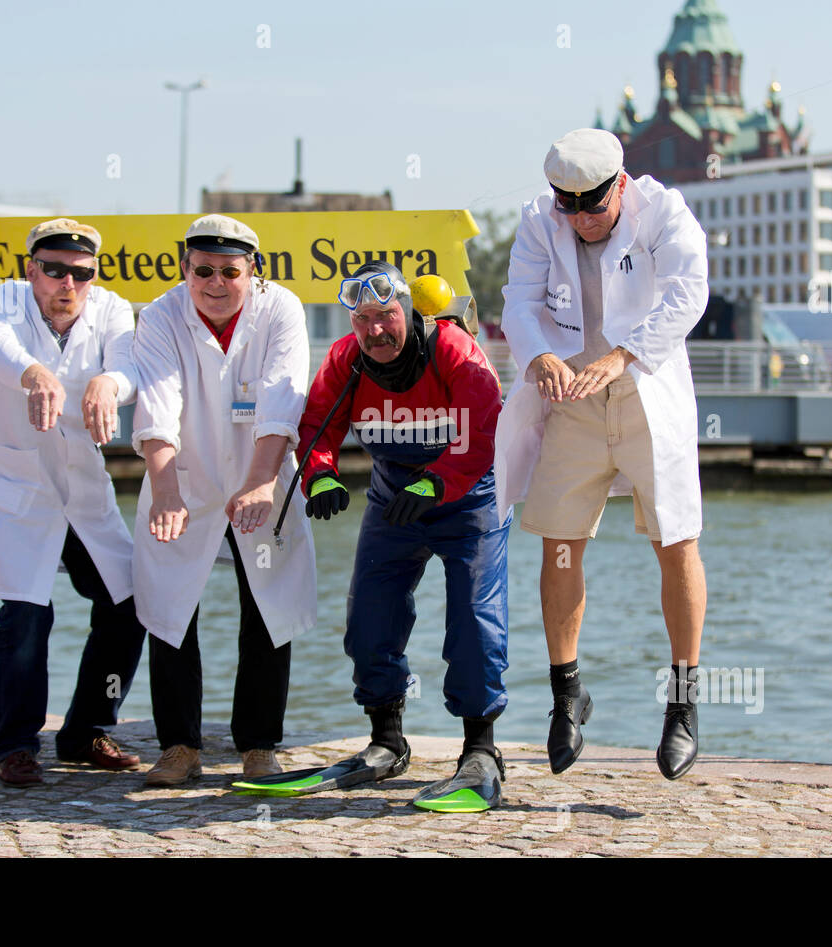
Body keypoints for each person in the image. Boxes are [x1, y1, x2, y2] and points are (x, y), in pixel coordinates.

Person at [495, 128, 709, 780]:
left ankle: (682, 705)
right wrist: (541, 357)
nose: (583, 219)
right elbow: (518, 303)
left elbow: (688, 292)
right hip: (574, 398)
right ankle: (567, 694)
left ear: (620, 186)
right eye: (570, 206)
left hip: (646, 390)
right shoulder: (541, 221)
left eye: (595, 205)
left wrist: (624, 353)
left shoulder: (665, 212)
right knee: (559, 540)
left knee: (676, 540)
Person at [280, 263, 510, 812]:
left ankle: (480, 750)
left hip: (468, 494)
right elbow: (317, 426)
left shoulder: (451, 349)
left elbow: (486, 428)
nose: (375, 331)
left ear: (406, 311)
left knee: (474, 620)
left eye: (386, 316)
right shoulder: (346, 359)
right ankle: (387, 740)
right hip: (392, 498)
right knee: (369, 618)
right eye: (362, 320)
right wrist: (321, 474)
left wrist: (440, 483)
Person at [131, 214, 315, 786]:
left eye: (229, 272)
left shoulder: (281, 308)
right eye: (202, 270)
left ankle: (258, 743)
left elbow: (284, 396)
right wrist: (165, 492)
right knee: (170, 603)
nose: (214, 283)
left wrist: (261, 481)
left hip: (262, 465)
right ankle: (180, 745)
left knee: (267, 602)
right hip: (181, 471)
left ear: (253, 271)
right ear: (186, 268)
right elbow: (158, 402)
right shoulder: (160, 315)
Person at [0, 217, 146, 786]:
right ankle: (15, 745)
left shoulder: (112, 309)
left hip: (80, 485)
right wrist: (34, 371)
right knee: (26, 611)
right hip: (13, 482)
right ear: (30, 270)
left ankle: (86, 729)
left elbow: (128, 361)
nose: (67, 284)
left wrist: (108, 383)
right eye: (53, 270)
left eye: (80, 273)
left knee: (130, 598)